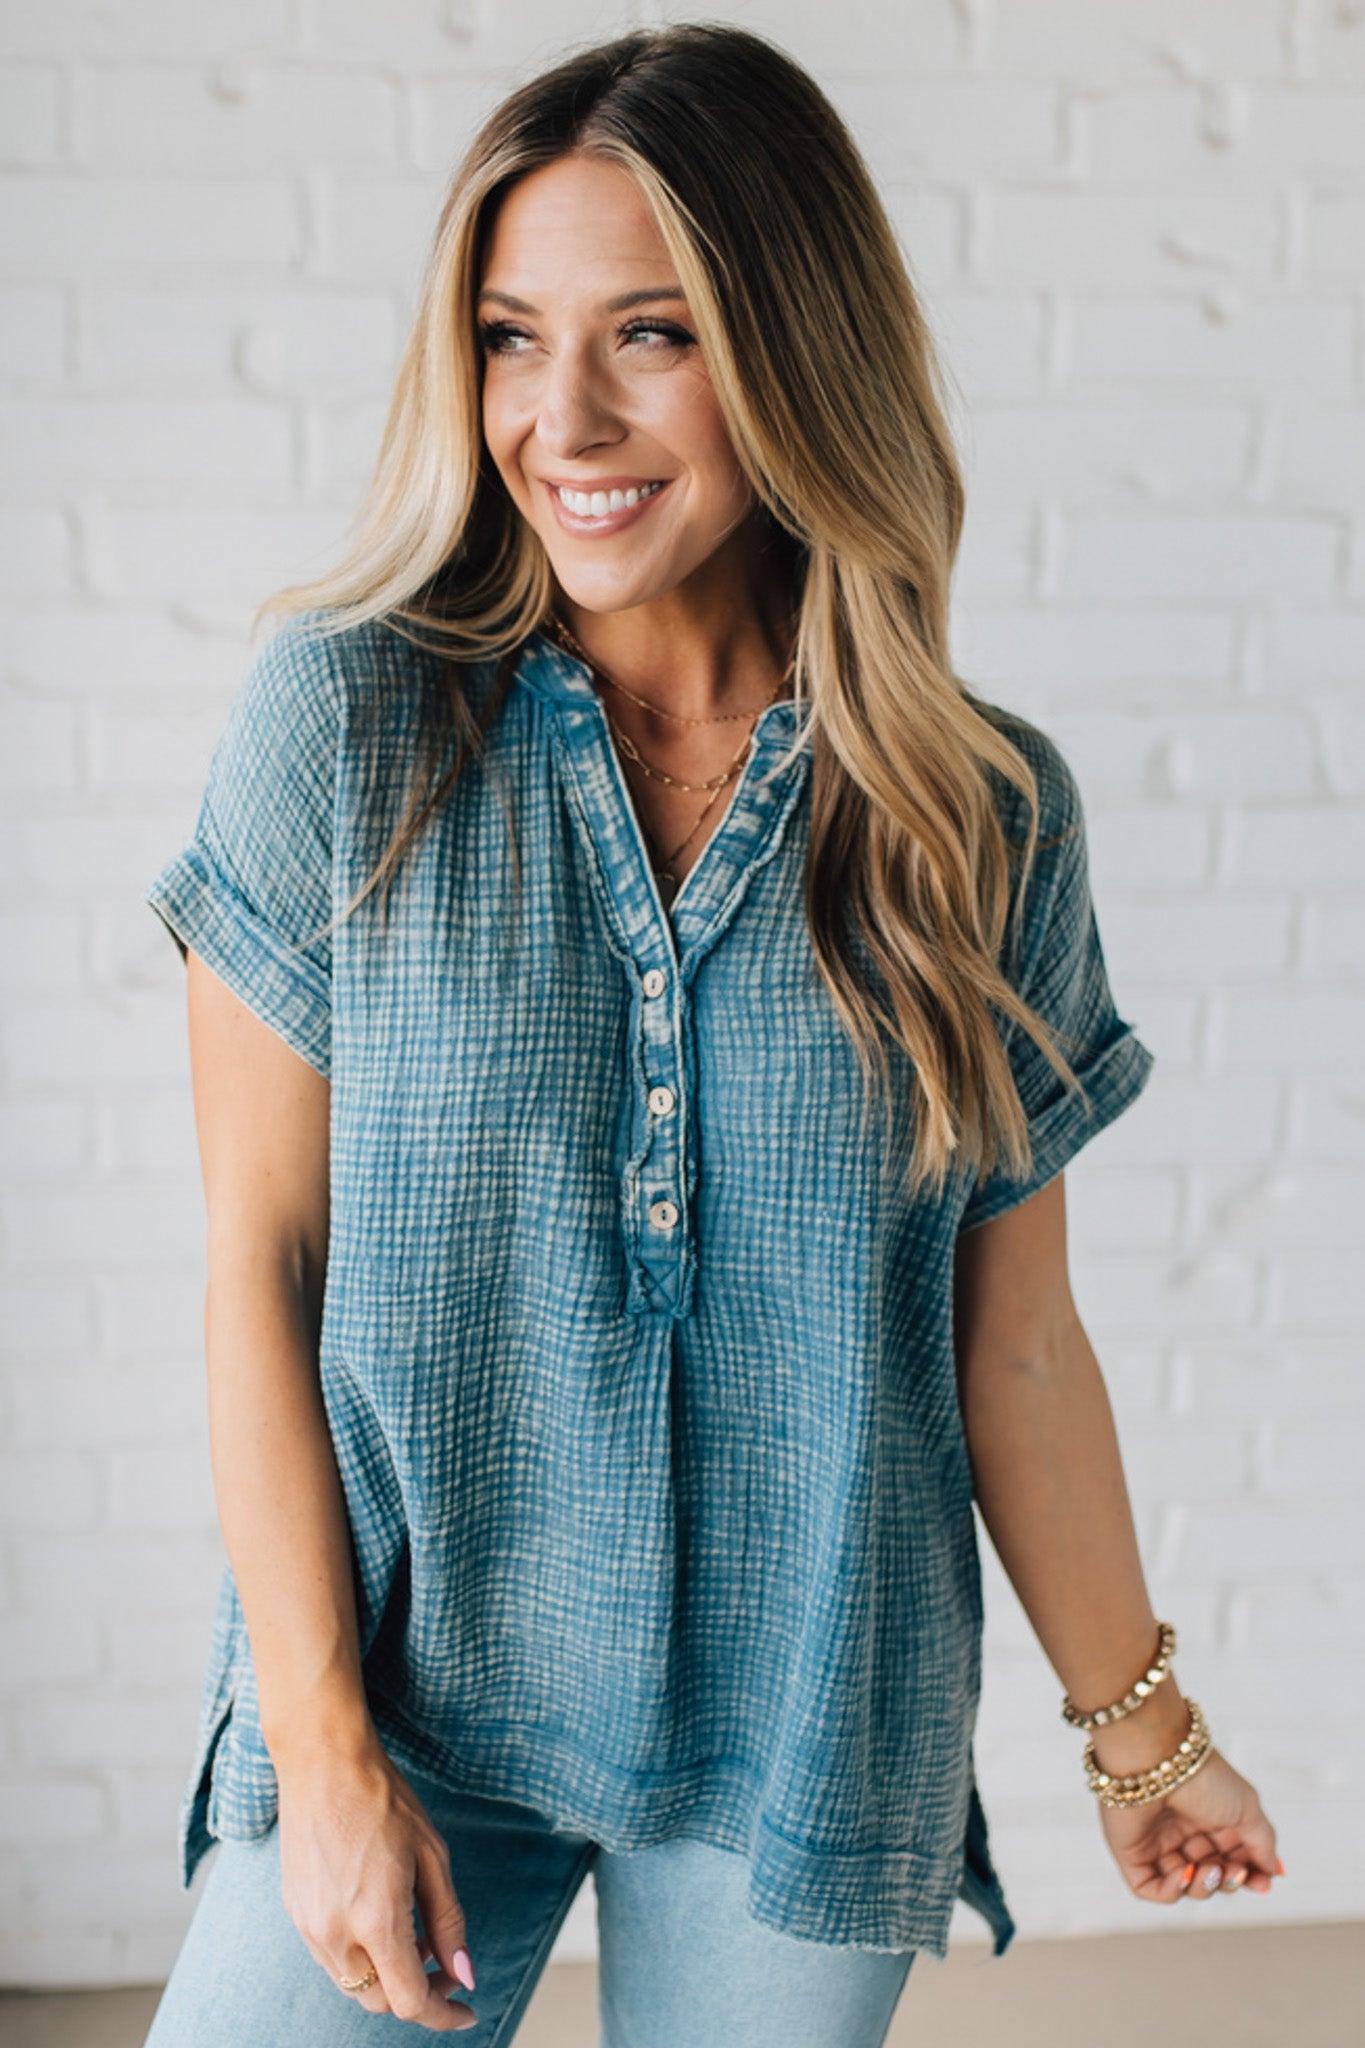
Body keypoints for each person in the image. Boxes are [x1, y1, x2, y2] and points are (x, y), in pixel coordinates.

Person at [140, 22, 1283, 2046]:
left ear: (791, 346)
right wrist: (316, 1752)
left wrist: (1140, 1732)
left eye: (648, 334)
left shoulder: (976, 814)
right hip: (407, 1687)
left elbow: (1009, 1343)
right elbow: (258, 1261)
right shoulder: (342, 732)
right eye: (507, 334)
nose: (556, 414)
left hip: (807, 1712)